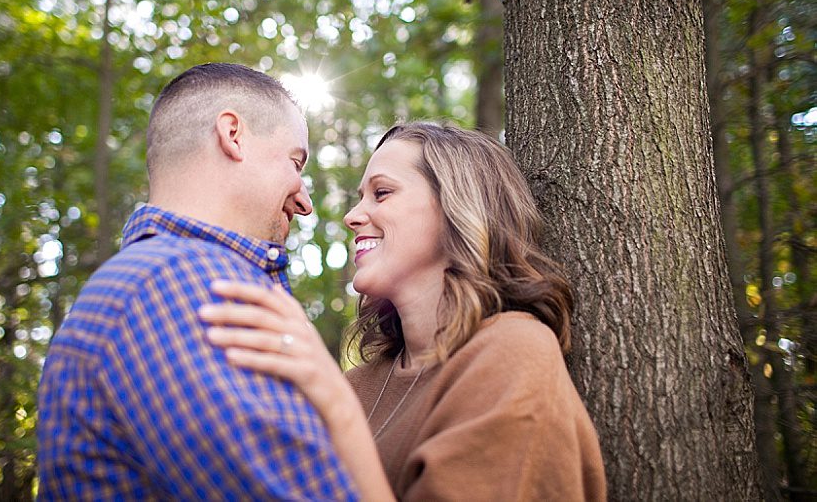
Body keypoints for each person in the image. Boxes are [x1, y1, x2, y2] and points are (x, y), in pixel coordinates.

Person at [201, 122, 607, 500]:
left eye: (382, 193)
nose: (352, 216)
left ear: (456, 208)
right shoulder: (360, 383)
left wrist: (335, 406)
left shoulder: (514, 351)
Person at [36, 63, 357, 500]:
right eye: (294, 162)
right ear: (233, 135)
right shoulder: (184, 286)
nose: (303, 199)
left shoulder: (157, 281)